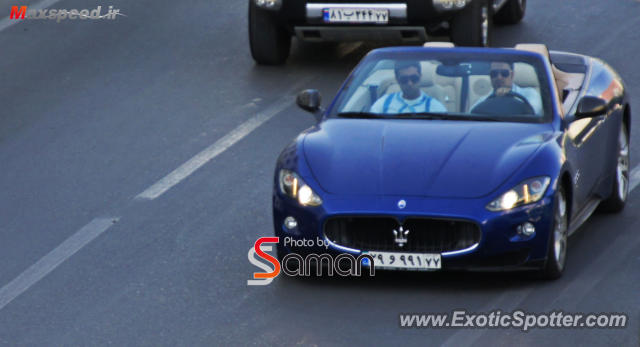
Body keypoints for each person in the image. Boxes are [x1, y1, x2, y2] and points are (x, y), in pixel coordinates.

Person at [370, 61, 447, 114]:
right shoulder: (383, 104)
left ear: (420, 77)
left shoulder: (436, 108)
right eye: (404, 79)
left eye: (414, 78)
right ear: (397, 80)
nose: (409, 83)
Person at [471, 61, 542, 115]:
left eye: (504, 73)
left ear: (512, 75)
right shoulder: (482, 101)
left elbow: (533, 112)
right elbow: (471, 116)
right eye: (494, 74)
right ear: (490, 77)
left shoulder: (530, 94)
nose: (499, 77)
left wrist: (508, 96)